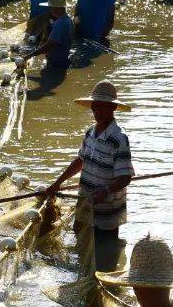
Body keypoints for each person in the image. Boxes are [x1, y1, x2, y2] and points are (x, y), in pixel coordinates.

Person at [42, 81, 133, 272]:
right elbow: (80, 161)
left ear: (113, 108)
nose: (97, 110)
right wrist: (57, 183)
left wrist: (106, 190)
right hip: (85, 204)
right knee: (82, 252)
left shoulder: (119, 139)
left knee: (104, 263)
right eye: (95, 105)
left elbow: (125, 177)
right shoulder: (90, 133)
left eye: (102, 106)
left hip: (106, 212)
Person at [22, 0, 72, 74]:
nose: (50, 9)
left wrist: (29, 55)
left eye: (51, 7)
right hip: (64, 61)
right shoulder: (68, 20)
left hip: (55, 64)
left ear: (57, 7)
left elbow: (49, 45)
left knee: (47, 81)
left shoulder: (59, 23)